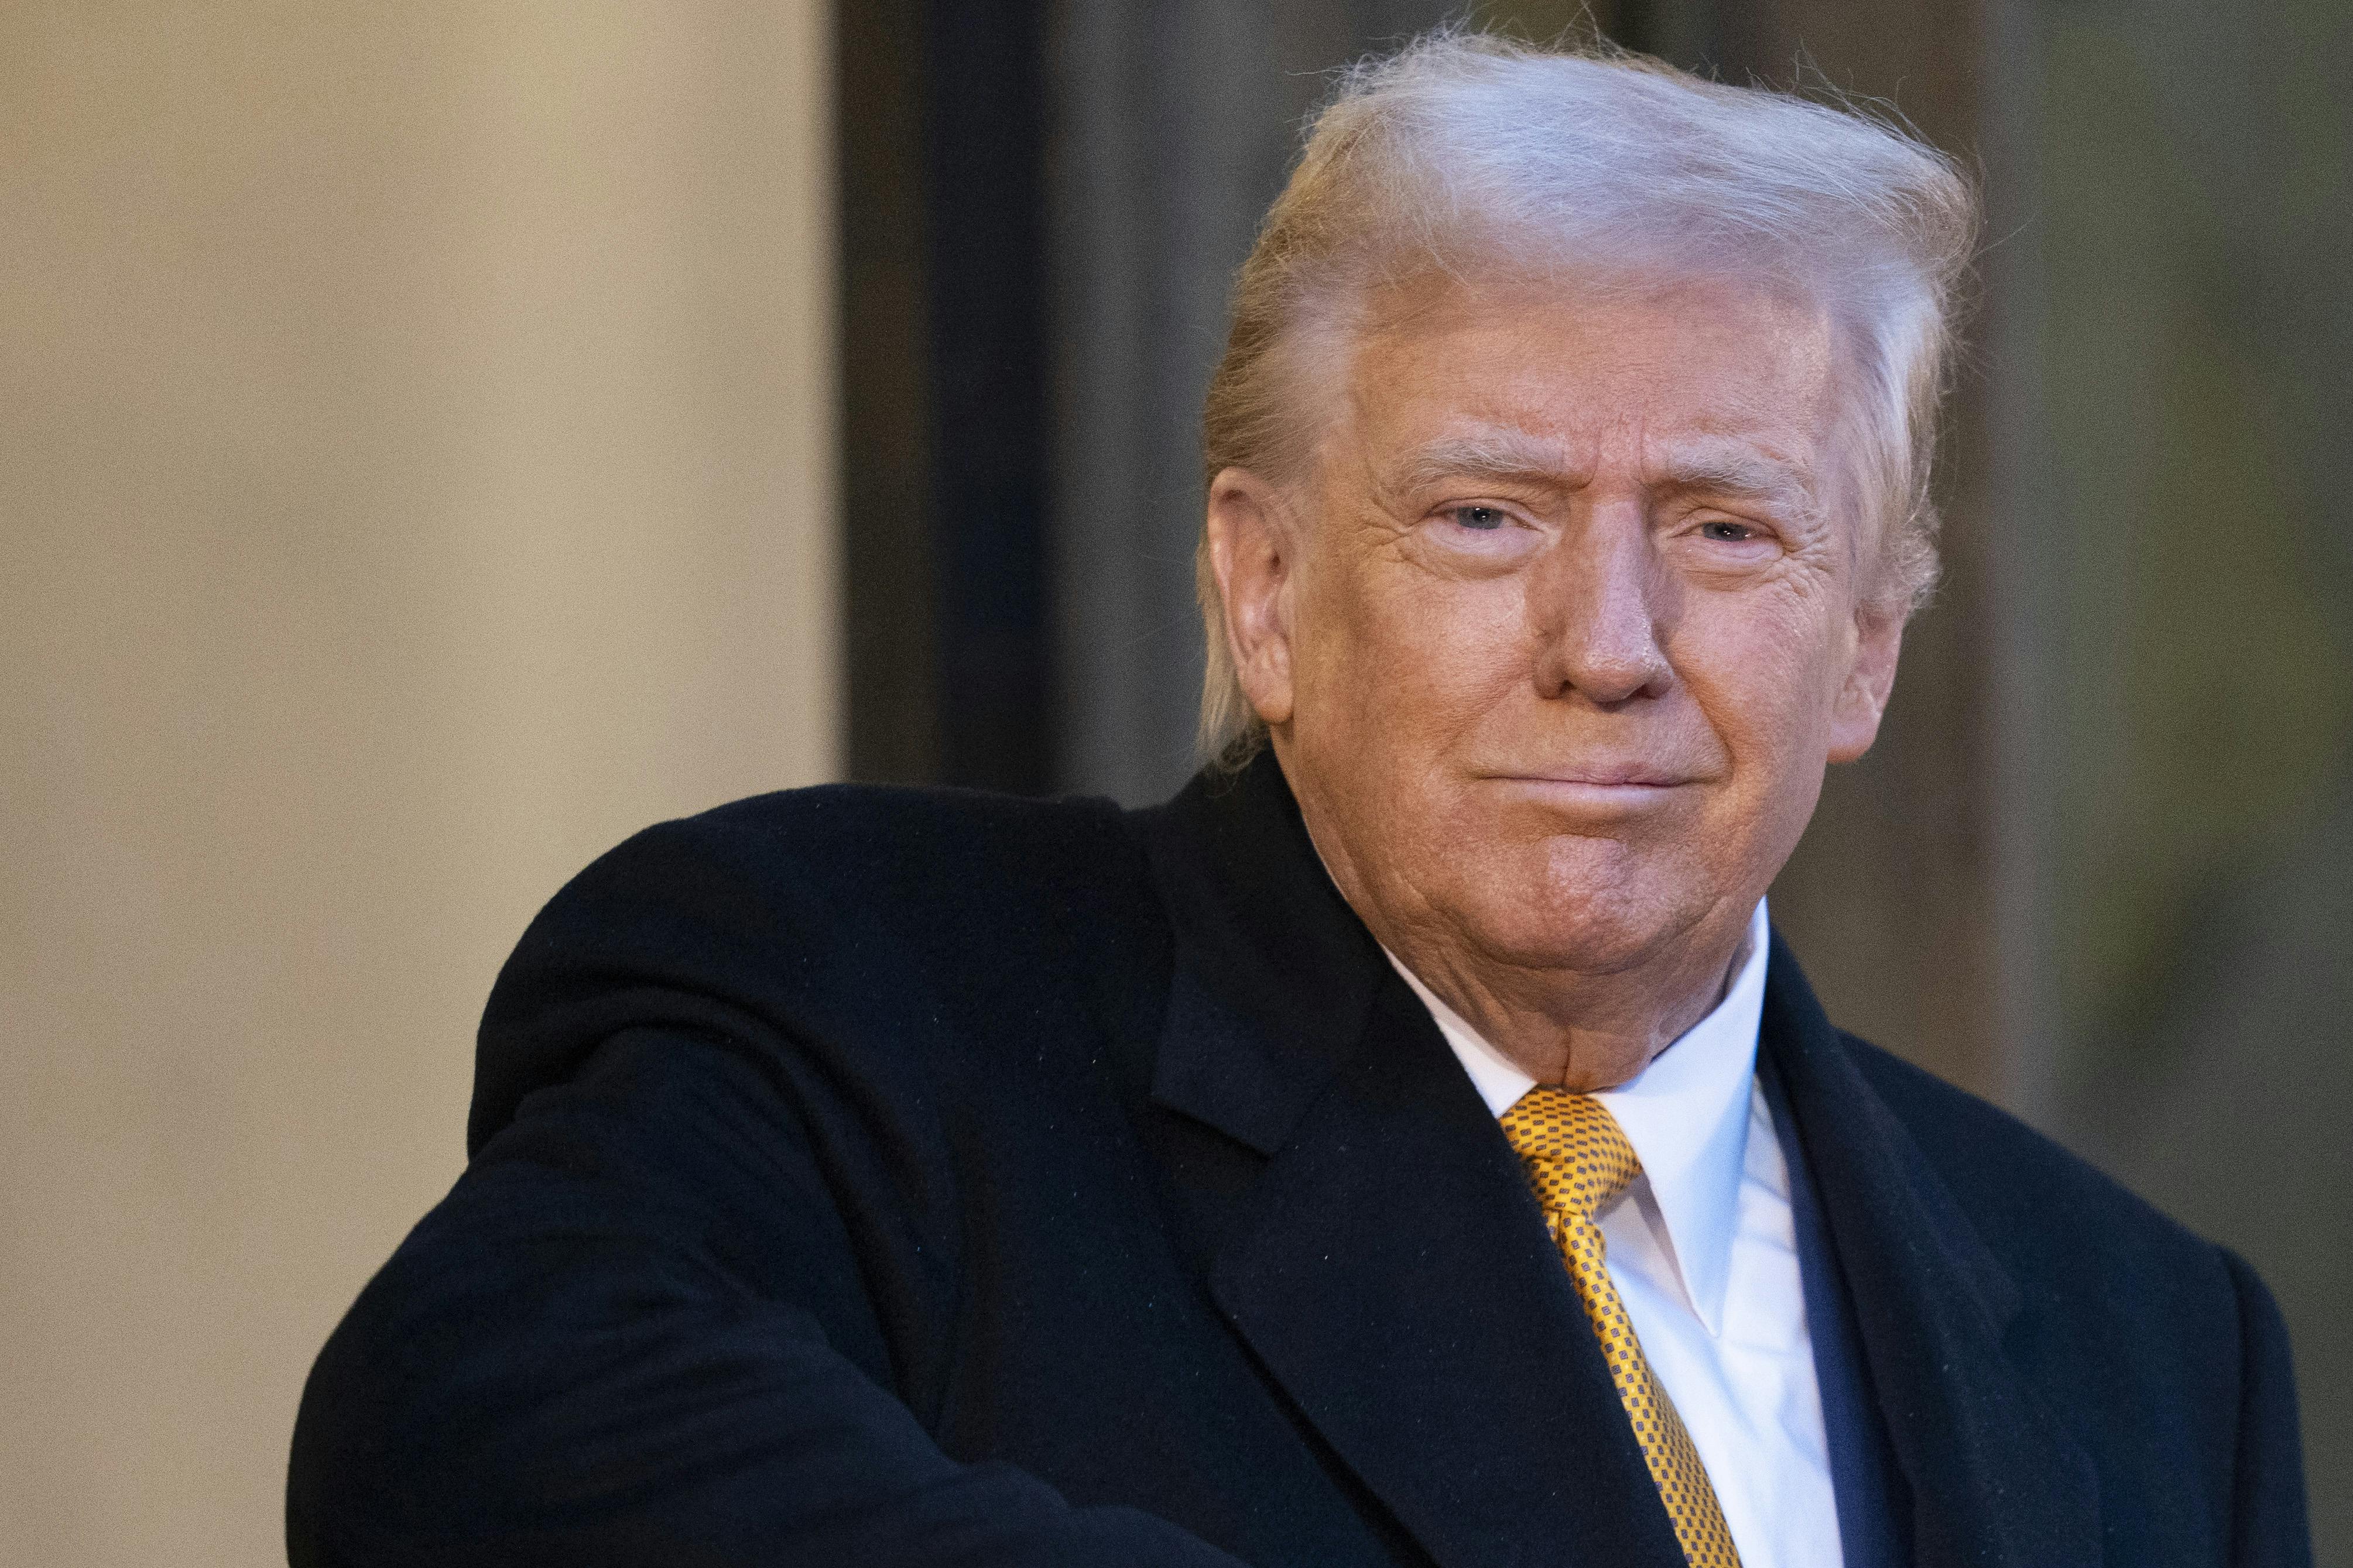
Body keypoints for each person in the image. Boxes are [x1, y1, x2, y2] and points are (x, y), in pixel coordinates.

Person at [288, 33, 2311, 1568]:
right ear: (1262, 590)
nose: (1604, 639)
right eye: (1485, 514)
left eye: (1722, 527)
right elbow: (464, 1435)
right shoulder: (865, 1001)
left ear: (1865, 641)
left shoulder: (2153, 1347)